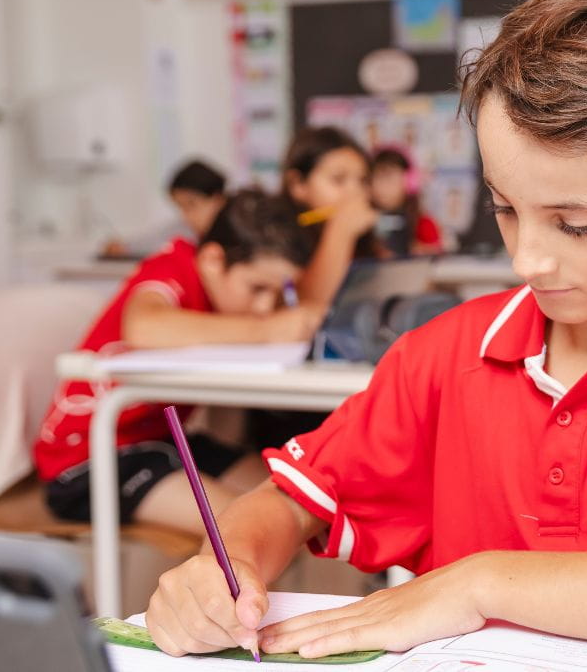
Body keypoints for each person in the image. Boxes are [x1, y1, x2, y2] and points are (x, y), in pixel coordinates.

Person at [144, 0, 587, 665]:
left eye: (576, 224)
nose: (529, 258)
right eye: (505, 207)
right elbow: (287, 500)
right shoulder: (447, 355)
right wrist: (227, 563)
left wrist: (479, 584)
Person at [33, 190, 321, 535]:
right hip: (87, 460)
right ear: (214, 260)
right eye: (257, 288)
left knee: (300, 501)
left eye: (277, 293)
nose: (264, 305)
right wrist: (267, 329)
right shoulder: (174, 265)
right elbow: (144, 327)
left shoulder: (229, 300)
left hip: (165, 440)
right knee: (249, 528)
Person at [282, 127, 382, 309]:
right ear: (297, 185)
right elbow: (311, 309)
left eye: (362, 181)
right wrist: (340, 232)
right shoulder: (277, 241)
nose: (356, 193)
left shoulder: (364, 241)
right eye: (338, 179)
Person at [101, 159, 228, 259]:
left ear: (218, 199)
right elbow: (154, 239)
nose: (187, 215)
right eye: (181, 207)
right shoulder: (184, 232)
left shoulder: (240, 233)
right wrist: (124, 247)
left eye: (191, 205)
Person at [367, 148, 444, 257]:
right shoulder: (362, 223)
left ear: (409, 181)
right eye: (375, 177)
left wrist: (417, 253)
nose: (380, 185)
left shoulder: (424, 224)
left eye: (388, 177)